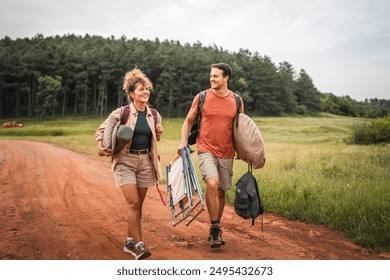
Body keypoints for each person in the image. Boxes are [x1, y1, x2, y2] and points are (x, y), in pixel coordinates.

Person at [95, 68, 163, 260]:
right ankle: (139, 246)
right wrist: (102, 147)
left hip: (145, 162)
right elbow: (100, 130)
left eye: (147, 89)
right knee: (133, 203)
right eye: (141, 89)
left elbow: (153, 139)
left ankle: (129, 241)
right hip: (125, 161)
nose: (145, 92)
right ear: (132, 94)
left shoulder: (154, 115)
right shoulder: (121, 112)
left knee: (138, 206)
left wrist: (159, 132)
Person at [178, 62, 244, 248]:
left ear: (226, 78)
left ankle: (215, 225)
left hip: (227, 152)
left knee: (221, 190)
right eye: (211, 76)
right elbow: (188, 121)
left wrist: (248, 152)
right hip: (206, 148)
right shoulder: (202, 97)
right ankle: (215, 227)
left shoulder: (237, 101)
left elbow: (241, 130)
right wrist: (183, 142)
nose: (212, 79)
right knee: (212, 183)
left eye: (216, 76)